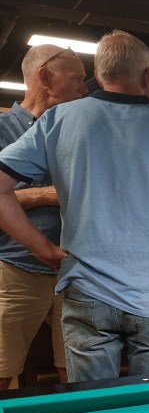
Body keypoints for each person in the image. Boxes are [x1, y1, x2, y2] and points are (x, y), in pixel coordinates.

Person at [0, 30, 149, 382]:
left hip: (88, 291)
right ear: (148, 76)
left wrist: (43, 249)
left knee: (94, 403)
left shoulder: (58, 119)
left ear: (100, 76)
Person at [0, 44, 87, 389]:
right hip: (16, 271)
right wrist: (45, 195)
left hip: (75, 271)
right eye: (77, 78)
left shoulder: (78, 133)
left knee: (77, 371)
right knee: (3, 370)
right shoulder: (2, 129)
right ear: (45, 77)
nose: (83, 88)